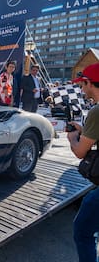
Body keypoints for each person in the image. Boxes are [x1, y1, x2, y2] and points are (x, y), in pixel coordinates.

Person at [67, 63, 99, 262]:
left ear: (90, 83)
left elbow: (80, 152)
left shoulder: (96, 111)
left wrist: (72, 137)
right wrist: (84, 130)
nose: (81, 89)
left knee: (82, 231)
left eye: (82, 84)